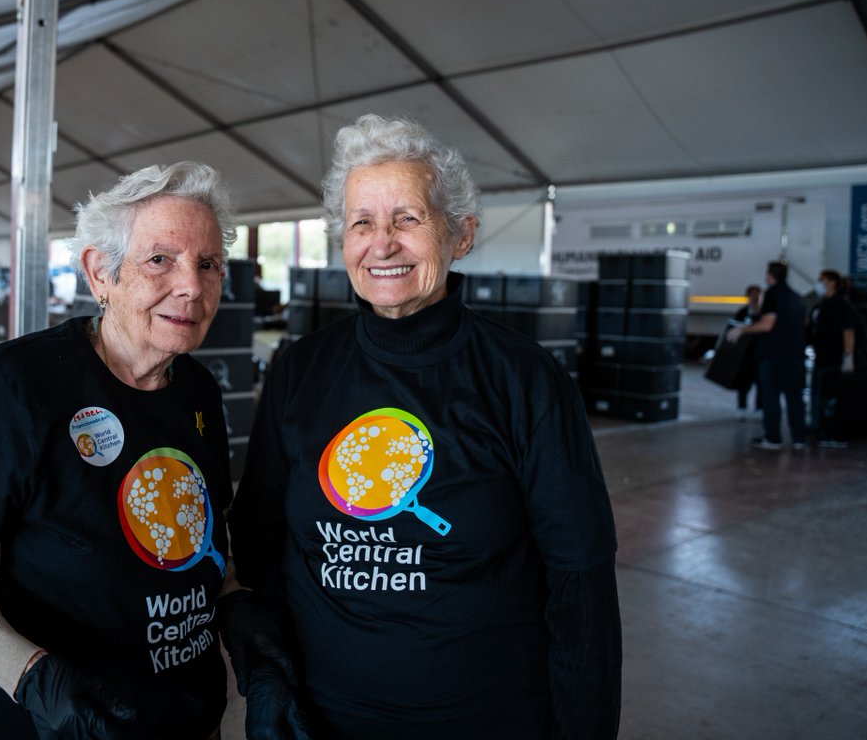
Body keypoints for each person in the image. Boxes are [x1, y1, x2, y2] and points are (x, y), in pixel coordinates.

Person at [224, 115, 622, 739]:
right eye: (361, 222)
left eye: (407, 219)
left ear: (460, 234)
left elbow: (581, 584)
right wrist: (271, 676)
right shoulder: (300, 370)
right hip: (326, 720)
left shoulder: (524, 380)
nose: (381, 244)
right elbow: (261, 542)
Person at [0, 162, 238, 740]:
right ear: (101, 274)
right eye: (160, 260)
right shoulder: (22, 383)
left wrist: (238, 605)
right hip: (56, 724)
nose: (191, 287)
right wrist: (27, 674)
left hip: (187, 718)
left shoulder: (198, 389)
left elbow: (205, 541)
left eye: (208, 264)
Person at [727, 261, 807, 450]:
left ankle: (773, 438)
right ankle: (799, 439)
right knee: (794, 398)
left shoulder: (772, 294)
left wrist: (743, 329)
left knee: (771, 397)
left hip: (774, 356)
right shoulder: (797, 297)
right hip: (795, 356)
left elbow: (767, 324)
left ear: (770, 275)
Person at [807, 269, 856, 447]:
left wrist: (848, 355)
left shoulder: (840, 304)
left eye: (823, 280)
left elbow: (848, 331)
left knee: (831, 396)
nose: (819, 283)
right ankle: (821, 429)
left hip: (833, 357)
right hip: (821, 355)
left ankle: (834, 433)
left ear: (832, 282)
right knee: (820, 394)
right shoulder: (821, 304)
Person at [732, 284, 763, 419]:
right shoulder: (742, 312)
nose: (755, 297)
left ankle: (759, 407)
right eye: (752, 294)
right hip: (745, 354)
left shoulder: (764, 314)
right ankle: (742, 407)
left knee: (761, 382)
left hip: (760, 352)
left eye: (757, 294)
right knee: (743, 382)